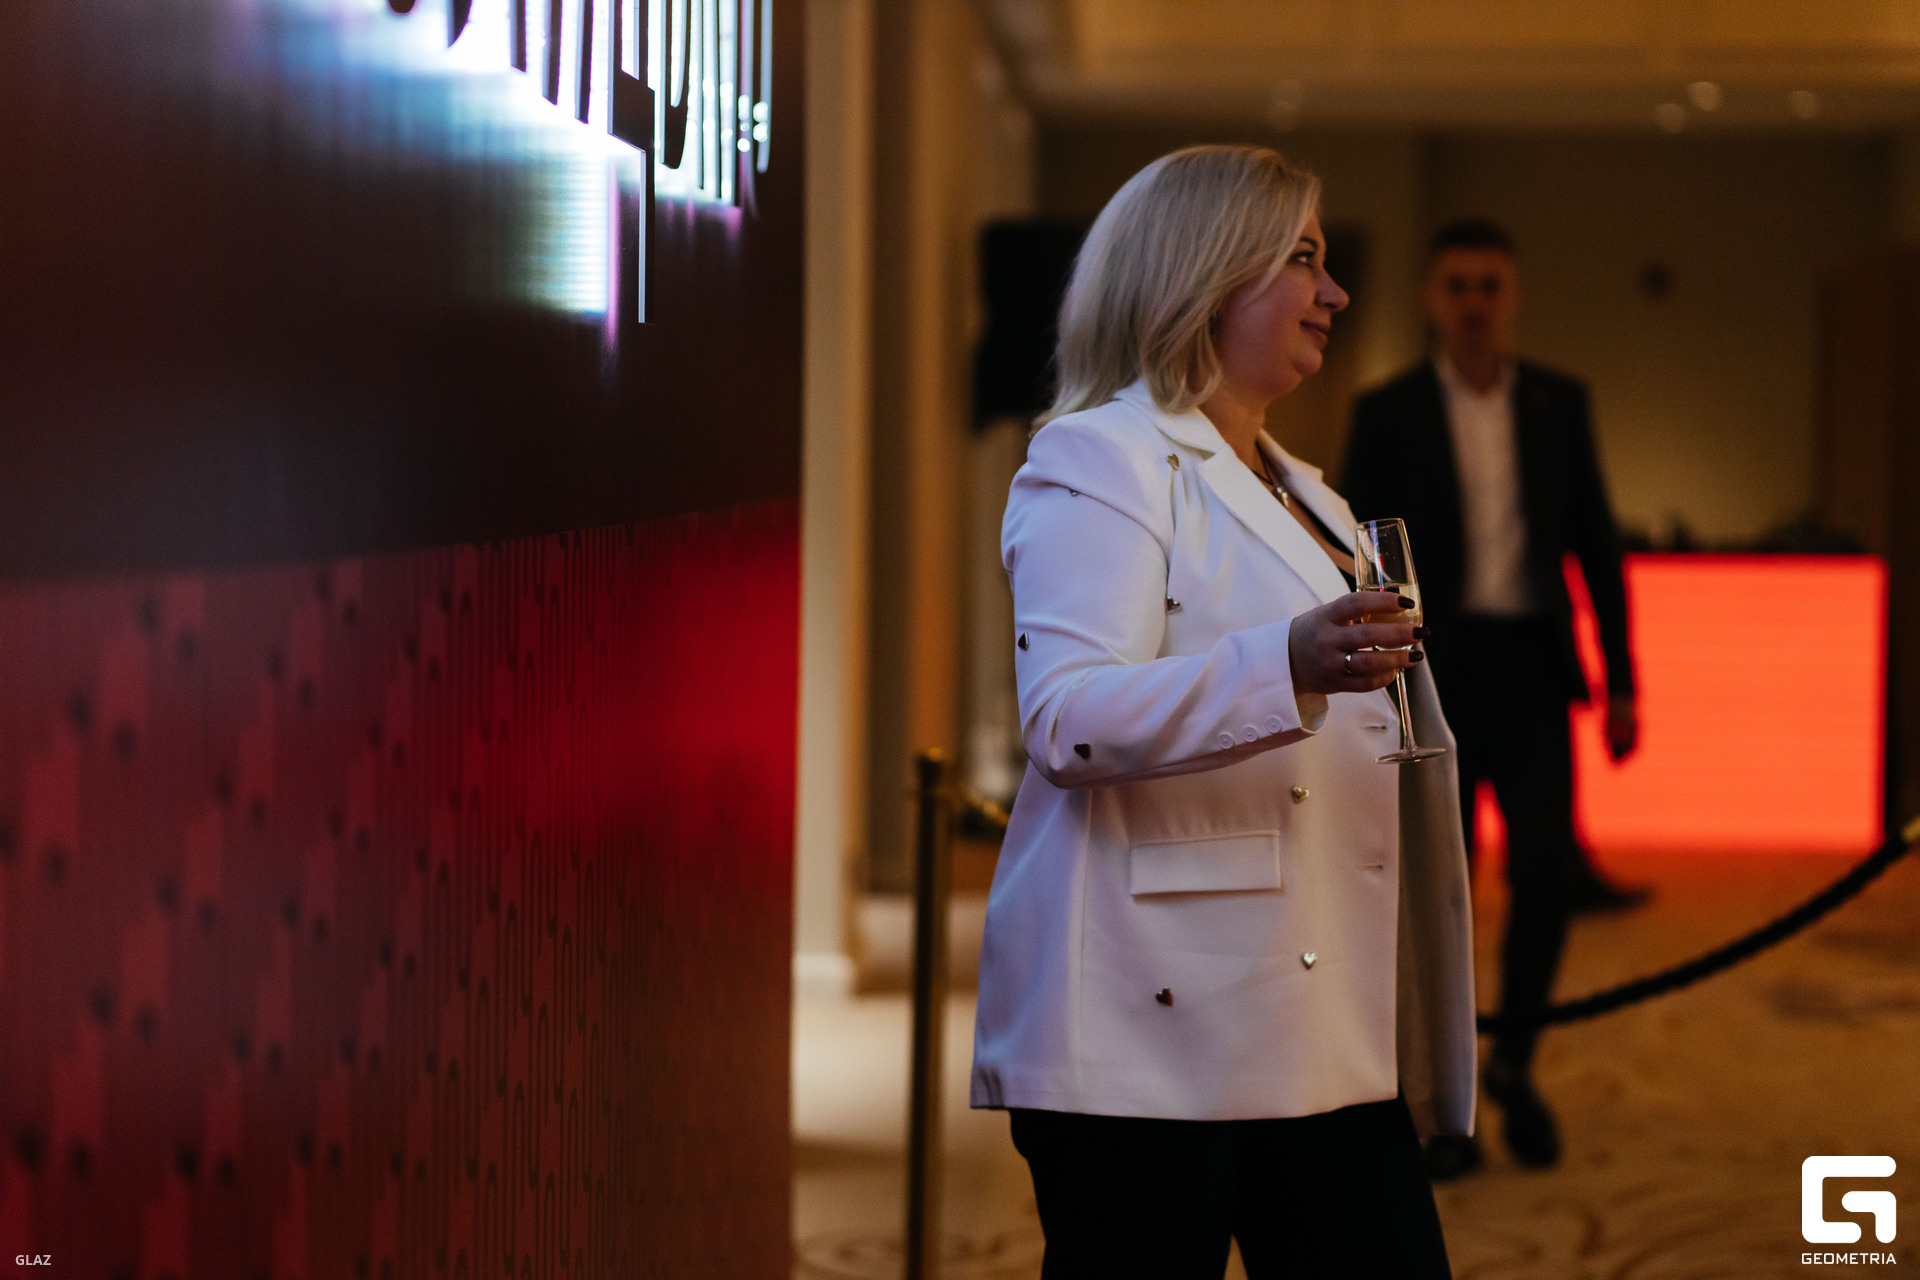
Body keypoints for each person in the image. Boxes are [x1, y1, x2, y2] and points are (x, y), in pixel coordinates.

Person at [970, 145, 1476, 1279]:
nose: (1335, 293)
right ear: (1201, 277)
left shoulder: (1311, 490)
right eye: (1303, 259)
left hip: (1323, 1013)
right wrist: (1287, 660)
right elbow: (1067, 719)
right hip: (1151, 1023)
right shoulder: (1100, 457)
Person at [1342, 218, 1641, 1180]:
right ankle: (1448, 1093)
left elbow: (1597, 544)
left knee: (1548, 877)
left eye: (1490, 286)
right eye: (1458, 285)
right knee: (1444, 887)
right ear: (1432, 298)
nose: (1475, 302)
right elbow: (1353, 555)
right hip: (1435, 672)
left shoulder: (1559, 401)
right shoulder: (1387, 410)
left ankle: (1514, 1061)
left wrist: (1624, 680)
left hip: (1534, 670)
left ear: (1513, 297)